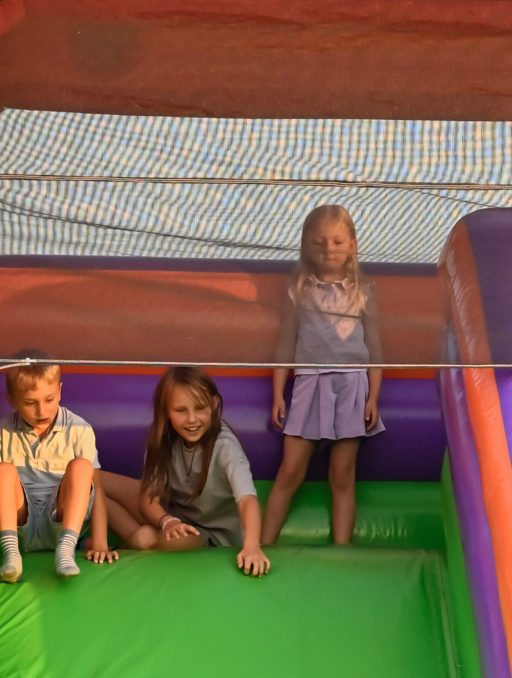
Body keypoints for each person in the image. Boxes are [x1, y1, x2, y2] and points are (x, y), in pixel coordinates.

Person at [260, 203, 383, 549]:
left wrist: (373, 397)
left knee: (342, 475)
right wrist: (278, 393)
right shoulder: (298, 290)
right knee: (290, 470)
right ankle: (262, 545)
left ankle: (341, 552)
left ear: (352, 245)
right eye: (319, 242)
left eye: (337, 242)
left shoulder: (363, 292)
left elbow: (375, 349)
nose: (329, 249)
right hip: (309, 384)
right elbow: (286, 343)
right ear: (306, 246)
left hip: (351, 385)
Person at [99, 368, 269, 574]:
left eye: (200, 408)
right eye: (181, 410)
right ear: (166, 410)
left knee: (144, 537)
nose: (192, 419)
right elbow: (148, 500)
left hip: (209, 536)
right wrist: (167, 521)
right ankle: (87, 539)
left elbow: (247, 500)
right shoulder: (164, 439)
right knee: (92, 478)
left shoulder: (226, 447)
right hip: (172, 516)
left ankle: (120, 548)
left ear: (214, 403)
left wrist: (252, 546)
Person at [0, 361, 116, 582]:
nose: (42, 411)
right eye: (30, 403)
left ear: (60, 390)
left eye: (49, 399)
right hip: (20, 520)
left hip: (62, 517)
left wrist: (100, 542)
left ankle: (65, 550)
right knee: (1, 471)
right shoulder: (1, 432)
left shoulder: (79, 428)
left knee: (82, 466)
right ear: (11, 400)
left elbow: (96, 487)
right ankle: (11, 554)